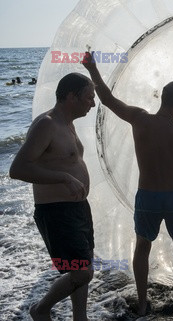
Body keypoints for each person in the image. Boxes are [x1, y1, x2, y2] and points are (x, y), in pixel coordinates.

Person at [82, 52, 173, 315]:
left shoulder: (140, 119)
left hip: (148, 195)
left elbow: (108, 100)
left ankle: (143, 302)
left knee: (143, 248)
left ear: (162, 99)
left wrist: (92, 68)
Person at [9, 73, 96, 321]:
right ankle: (41, 309)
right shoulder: (46, 124)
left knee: (83, 266)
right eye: (89, 97)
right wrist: (64, 178)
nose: (92, 103)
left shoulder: (68, 123)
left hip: (78, 207)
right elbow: (18, 169)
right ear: (71, 96)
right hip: (57, 211)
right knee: (82, 273)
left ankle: (80, 317)